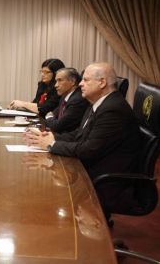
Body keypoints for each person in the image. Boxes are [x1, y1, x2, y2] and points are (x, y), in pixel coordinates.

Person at [25, 62, 141, 213]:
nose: (80, 84)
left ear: (102, 82)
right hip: (92, 168)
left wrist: (51, 145)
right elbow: (79, 134)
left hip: (105, 180)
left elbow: (88, 150)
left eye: (85, 80)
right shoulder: (98, 103)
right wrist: (51, 137)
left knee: (49, 194)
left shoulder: (112, 110)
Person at [45, 68, 90, 133]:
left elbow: (56, 126)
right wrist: (51, 116)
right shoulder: (65, 97)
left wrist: (49, 116)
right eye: (56, 81)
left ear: (72, 81)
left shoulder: (78, 100)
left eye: (60, 80)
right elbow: (55, 113)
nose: (56, 85)